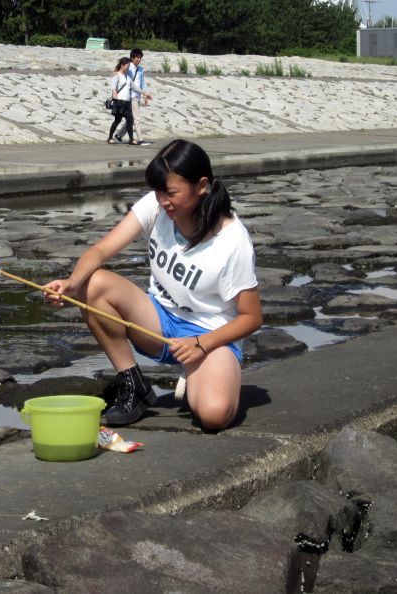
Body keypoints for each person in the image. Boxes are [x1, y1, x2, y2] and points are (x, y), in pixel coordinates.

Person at [43, 140, 262, 429]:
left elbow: (252, 317)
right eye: (158, 191)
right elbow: (99, 252)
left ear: (202, 185)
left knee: (213, 415)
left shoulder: (233, 241)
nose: (162, 200)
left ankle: (199, 375)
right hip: (158, 320)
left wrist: (201, 344)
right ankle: (134, 385)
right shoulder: (156, 206)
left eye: (171, 193)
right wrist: (72, 283)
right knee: (92, 284)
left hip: (211, 335)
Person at [115, 48, 152, 145]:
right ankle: (141, 139)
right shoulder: (129, 66)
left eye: (140, 58)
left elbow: (142, 82)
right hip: (130, 96)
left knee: (130, 119)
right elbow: (121, 73)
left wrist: (145, 93)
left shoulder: (140, 69)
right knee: (137, 118)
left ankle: (119, 135)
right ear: (132, 58)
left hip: (138, 95)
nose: (139, 60)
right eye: (137, 58)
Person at [108, 57, 136, 145]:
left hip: (127, 102)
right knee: (117, 121)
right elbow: (113, 88)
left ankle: (131, 140)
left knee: (130, 121)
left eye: (129, 65)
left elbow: (134, 86)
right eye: (128, 65)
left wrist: (144, 92)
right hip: (119, 102)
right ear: (122, 65)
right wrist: (115, 97)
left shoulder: (127, 76)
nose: (128, 67)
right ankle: (110, 138)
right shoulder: (116, 75)